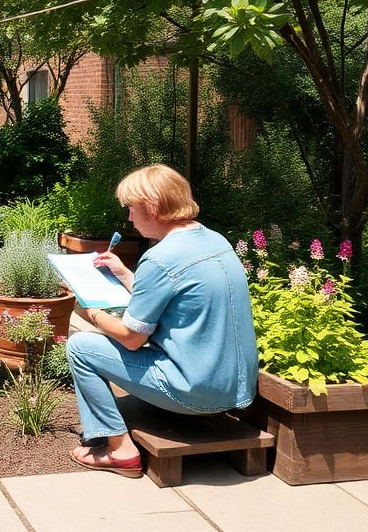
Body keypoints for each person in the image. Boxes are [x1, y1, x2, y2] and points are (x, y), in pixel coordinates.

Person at [65, 164, 258, 477]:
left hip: (194, 393)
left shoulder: (161, 257)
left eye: (131, 208)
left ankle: (120, 450)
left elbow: (131, 337)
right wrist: (126, 274)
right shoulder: (215, 240)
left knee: (81, 347)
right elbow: (172, 295)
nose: (129, 217)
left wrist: (92, 310)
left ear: (152, 208)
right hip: (235, 391)